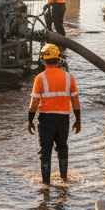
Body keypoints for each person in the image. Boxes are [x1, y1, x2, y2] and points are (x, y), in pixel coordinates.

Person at [26, 44, 81, 184]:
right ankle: (64, 180)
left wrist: (30, 120)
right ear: (58, 60)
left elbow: (34, 103)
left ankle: (46, 185)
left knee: (45, 152)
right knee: (62, 148)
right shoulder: (69, 78)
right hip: (63, 119)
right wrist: (78, 120)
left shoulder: (40, 78)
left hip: (46, 120)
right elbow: (75, 101)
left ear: (44, 61)